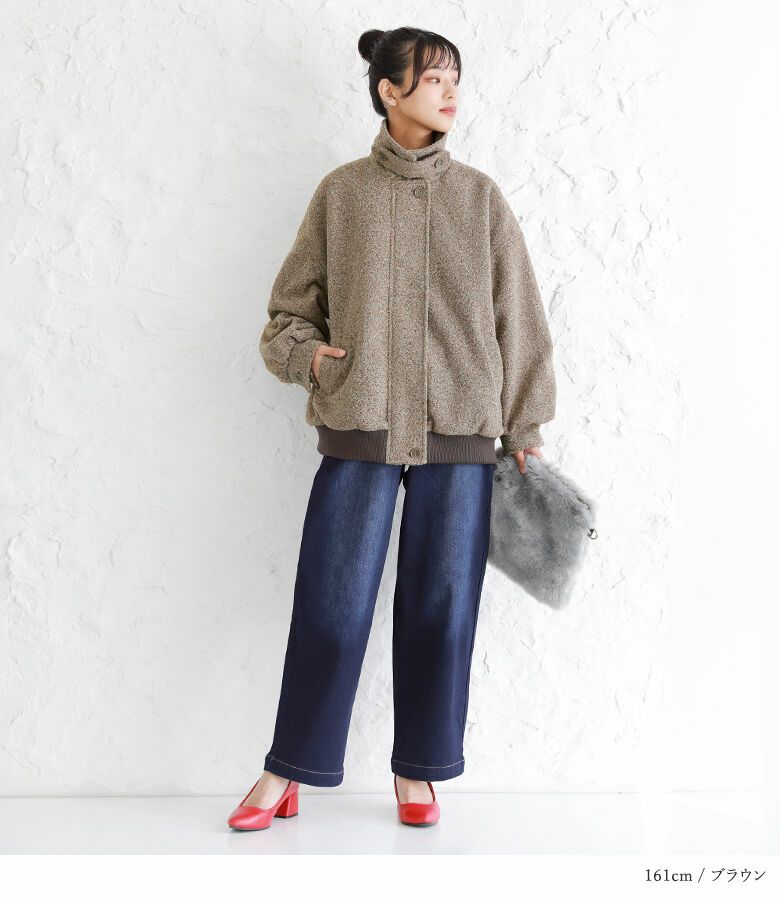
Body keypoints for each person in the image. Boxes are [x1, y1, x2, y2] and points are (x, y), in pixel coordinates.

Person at [227, 26, 556, 832]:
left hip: (460, 435)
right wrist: (311, 359)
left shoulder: (480, 198)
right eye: (434, 79)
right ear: (389, 89)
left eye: (455, 80)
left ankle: (419, 770)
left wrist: (524, 424)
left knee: (443, 607)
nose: (451, 93)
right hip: (360, 426)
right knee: (331, 602)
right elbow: (286, 316)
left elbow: (520, 317)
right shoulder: (341, 195)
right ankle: (287, 769)